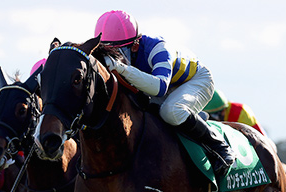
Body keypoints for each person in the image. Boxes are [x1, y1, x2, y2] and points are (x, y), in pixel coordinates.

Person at [94, 10, 235, 176]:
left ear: (135, 45)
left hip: (195, 80)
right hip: (167, 87)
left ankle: (220, 146)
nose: (112, 57)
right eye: (106, 52)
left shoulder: (158, 48)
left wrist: (121, 68)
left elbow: (159, 88)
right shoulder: (129, 51)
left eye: (117, 52)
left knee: (171, 111)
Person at [203, 89, 267, 136]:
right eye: (210, 117)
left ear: (224, 109)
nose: (215, 120)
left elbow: (260, 137)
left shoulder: (240, 111)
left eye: (216, 115)